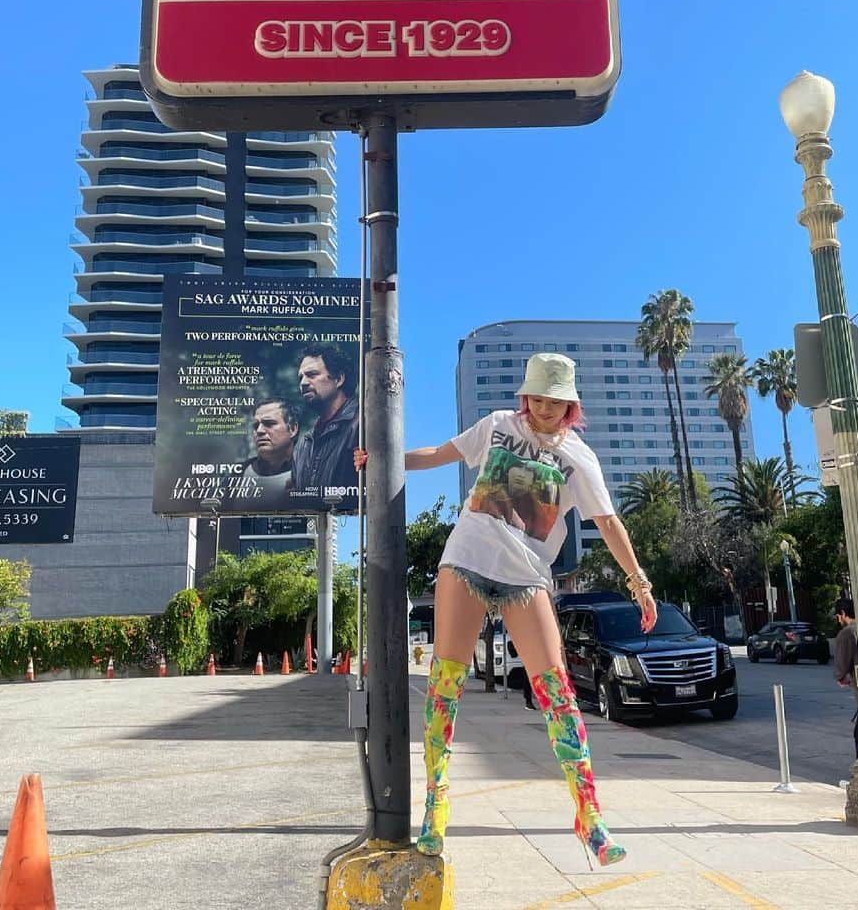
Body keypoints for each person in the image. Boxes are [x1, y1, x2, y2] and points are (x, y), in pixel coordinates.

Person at [355, 352, 656, 867]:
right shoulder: (497, 425)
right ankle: (436, 805)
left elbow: (608, 522)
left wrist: (639, 581)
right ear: (525, 396)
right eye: (536, 397)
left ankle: (589, 816)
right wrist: (386, 460)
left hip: (527, 576)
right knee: (444, 685)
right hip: (466, 561)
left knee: (558, 692)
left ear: (570, 404)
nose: (542, 408)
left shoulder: (579, 458)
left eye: (554, 401)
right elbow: (442, 453)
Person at [291, 344, 359, 496]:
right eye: (300, 377)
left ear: (339, 379)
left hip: (360, 518)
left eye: (312, 375)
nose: (303, 383)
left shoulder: (365, 423)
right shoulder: (303, 444)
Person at [234, 398, 300, 506]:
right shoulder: (237, 473)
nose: (259, 431)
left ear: (292, 429)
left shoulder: (313, 475)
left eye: (269, 423)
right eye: (255, 426)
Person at [833, 597, 858, 760]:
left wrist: (841, 677)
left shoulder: (847, 633)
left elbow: (841, 667)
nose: (838, 620)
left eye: (837, 617)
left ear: (843, 614)